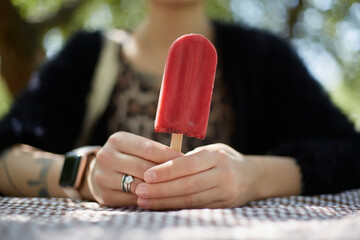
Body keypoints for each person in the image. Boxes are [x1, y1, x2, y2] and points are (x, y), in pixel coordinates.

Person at [0, 0, 359, 209]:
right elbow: (6, 150)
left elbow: (349, 152)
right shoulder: (84, 58)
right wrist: (84, 175)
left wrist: (254, 176)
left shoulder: (265, 58)